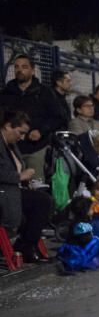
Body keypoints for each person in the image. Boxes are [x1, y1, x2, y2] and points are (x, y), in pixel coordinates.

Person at [0, 110, 53, 263]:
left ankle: (26, 244)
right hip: (4, 191)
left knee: (43, 200)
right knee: (41, 202)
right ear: (8, 126)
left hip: (12, 189)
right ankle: (26, 246)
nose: (22, 137)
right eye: (20, 132)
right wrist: (20, 176)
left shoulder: (11, 145)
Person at [0, 55, 65, 178]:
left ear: (32, 70)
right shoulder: (6, 93)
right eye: (17, 67)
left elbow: (58, 117)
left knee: (36, 183)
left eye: (24, 67)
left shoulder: (44, 92)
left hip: (37, 148)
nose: (20, 70)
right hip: (12, 148)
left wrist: (41, 131)